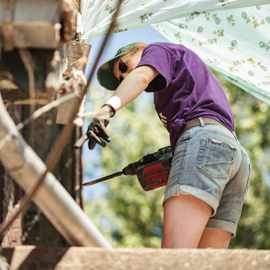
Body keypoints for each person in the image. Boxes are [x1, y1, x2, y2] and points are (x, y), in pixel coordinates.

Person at [76, 42, 251, 249]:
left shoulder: (158, 49)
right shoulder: (178, 81)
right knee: (205, 264)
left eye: (122, 67)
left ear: (140, 49)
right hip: (235, 159)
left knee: (174, 256)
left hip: (205, 141)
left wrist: (106, 110)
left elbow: (140, 76)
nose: (123, 77)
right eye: (120, 79)